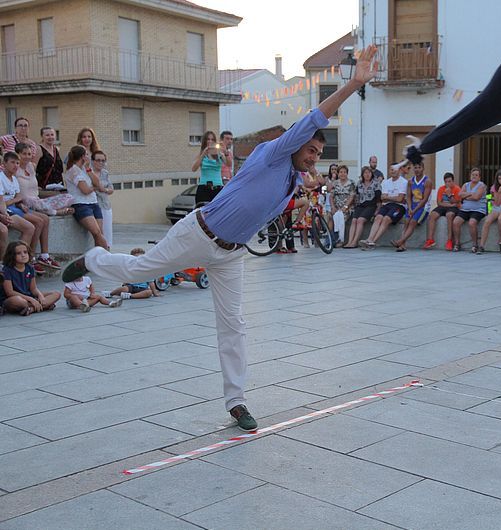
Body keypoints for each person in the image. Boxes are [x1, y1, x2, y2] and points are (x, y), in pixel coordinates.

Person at [61, 44, 379, 431]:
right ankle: (92, 261)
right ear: (296, 143)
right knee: (138, 270)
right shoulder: (272, 154)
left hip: (230, 255)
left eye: (318, 151)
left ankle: (237, 402)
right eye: (309, 148)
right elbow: (316, 115)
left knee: (234, 325)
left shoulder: (293, 180)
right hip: (198, 233)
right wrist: (353, 84)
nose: (314, 155)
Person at [1, 151, 52, 274]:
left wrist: (19, 203)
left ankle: (28, 258)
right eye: (12, 162)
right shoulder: (1, 177)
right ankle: (15, 261)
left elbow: (19, 197)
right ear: (4, 164)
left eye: (17, 163)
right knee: (31, 226)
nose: (15, 165)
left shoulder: (13, 178)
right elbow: (3, 201)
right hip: (6, 209)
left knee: (42, 220)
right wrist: (5, 213)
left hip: (12, 207)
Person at [64, 146, 108, 249]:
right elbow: (85, 190)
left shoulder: (85, 168)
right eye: (87, 154)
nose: (88, 156)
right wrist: (96, 187)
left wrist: (89, 169)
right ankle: (107, 253)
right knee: (96, 232)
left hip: (93, 203)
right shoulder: (73, 171)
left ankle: (100, 257)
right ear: (83, 156)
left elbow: (97, 182)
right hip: (81, 204)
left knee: (100, 233)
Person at [15, 142, 72, 218]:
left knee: (69, 196)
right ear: (17, 155)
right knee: (33, 202)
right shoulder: (14, 169)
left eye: (29, 154)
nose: (27, 157)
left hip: (37, 200)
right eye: (24, 154)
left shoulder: (31, 166)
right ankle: (54, 212)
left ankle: (47, 209)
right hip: (25, 202)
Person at [1, 241, 60, 315]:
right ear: (12, 255)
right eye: (19, 253)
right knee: (20, 302)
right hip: (14, 298)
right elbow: (10, 292)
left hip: (29, 296)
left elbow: (33, 289)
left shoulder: (30, 268)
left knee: (56, 294)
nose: (23, 255)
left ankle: (31, 309)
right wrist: (31, 299)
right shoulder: (7, 270)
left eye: (25, 252)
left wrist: (40, 296)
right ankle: (43, 306)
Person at [359, 164, 407, 249]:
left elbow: (400, 199)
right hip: (387, 205)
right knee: (378, 217)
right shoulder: (386, 182)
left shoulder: (404, 182)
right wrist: (393, 198)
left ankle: (373, 242)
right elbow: (382, 198)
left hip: (399, 207)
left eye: (395, 169)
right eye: (391, 169)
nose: (393, 171)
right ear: (389, 171)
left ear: (399, 170)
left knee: (386, 219)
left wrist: (388, 197)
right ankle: (369, 239)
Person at [392, 162, 432, 252]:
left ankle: (400, 241)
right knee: (406, 221)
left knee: (412, 222)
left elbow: (425, 199)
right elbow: (409, 196)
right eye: (415, 167)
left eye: (419, 167)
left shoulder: (427, 181)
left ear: (423, 168)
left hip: (423, 207)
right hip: (412, 205)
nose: (417, 169)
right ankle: (402, 245)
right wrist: (410, 208)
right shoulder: (410, 181)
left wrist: (414, 210)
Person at [343, 166, 380, 249]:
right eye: (365, 173)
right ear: (362, 174)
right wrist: (349, 206)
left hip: (371, 205)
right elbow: (355, 196)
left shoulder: (376, 183)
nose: (367, 174)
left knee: (360, 220)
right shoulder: (359, 183)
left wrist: (378, 209)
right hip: (360, 205)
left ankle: (355, 242)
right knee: (354, 220)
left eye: (369, 173)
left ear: (372, 174)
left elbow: (378, 198)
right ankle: (349, 241)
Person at [477, 169, 501, 254]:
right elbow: (497, 202)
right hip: (497, 207)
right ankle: (481, 246)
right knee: (487, 221)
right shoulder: (494, 187)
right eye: (499, 179)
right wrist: (499, 192)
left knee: (500, 219)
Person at [452, 167, 488, 252]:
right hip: (465, 209)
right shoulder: (466, 185)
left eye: (476, 175)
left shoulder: (481, 185)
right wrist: (471, 194)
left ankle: (475, 245)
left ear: (479, 177)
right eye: (472, 175)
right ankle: (457, 244)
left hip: (478, 210)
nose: (474, 176)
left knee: (472, 223)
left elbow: (476, 197)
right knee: (456, 222)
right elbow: (460, 195)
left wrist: (466, 196)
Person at [423, 172, 460, 250]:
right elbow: (439, 203)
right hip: (444, 206)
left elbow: (457, 203)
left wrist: (449, 194)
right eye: (446, 182)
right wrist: (450, 205)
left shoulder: (457, 189)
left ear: (453, 181)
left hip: (453, 208)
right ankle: (430, 239)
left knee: (449, 215)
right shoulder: (441, 189)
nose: (448, 183)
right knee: (432, 215)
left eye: (449, 181)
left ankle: (450, 240)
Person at [192, 131, 230, 206]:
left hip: (218, 187)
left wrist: (225, 151)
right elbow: (193, 169)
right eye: (208, 139)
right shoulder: (201, 155)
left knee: (217, 213)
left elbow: (229, 164)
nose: (210, 141)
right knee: (203, 213)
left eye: (212, 140)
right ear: (204, 141)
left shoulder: (219, 154)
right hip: (203, 188)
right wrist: (203, 154)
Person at [92, 151, 114, 247]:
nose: (101, 163)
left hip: (105, 205)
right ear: (93, 161)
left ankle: (107, 251)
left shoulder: (105, 173)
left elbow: (111, 189)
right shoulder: (89, 173)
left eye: (103, 161)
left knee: (107, 233)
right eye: (98, 160)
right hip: (93, 205)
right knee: (97, 233)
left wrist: (104, 189)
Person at [330, 165, 356, 247]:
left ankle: (341, 240)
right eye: (341, 172)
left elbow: (352, 197)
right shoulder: (335, 183)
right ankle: (331, 238)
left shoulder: (351, 183)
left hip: (347, 207)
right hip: (337, 207)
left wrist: (345, 207)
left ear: (347, 173)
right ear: (338, 173)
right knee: (330, 216)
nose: (343, 174)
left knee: (341, 217)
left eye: (344, 172)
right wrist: (333, 207)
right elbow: (331, 196)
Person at [36, 126, 65, 191]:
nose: (50, 137)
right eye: (47, 135)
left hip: (58, 185)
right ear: (42, 137)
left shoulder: (56, 149)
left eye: (52, 135)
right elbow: (33, 168)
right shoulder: (39, 149)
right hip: (44, 186)